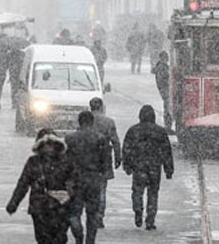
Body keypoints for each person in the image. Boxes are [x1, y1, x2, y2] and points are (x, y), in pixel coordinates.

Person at [6, 129, 76, 244]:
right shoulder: (66, 161)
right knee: (59, 238)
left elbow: (23, 184)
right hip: (60, 206)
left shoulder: (34, 161)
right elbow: (75, 183)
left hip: (40, 207)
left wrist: (14, 203)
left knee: (44, 239)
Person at [122, 105, 174, 230]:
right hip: (154, 167)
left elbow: (126, 149)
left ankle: (138, 210)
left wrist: (127, 165)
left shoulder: (133, 130)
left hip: (138, 167)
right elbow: (166, 151)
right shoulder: (160, 131)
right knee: (153, 193)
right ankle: (150, 220)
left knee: (137, 191)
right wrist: (168, 169)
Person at [65, 111, 108, 244]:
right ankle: (90, 240)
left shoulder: (70, 138)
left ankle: (78, 234)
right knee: (92, 213)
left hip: (76, 180)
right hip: (93, 179)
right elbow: (105, 161)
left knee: (74, 212)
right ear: (92, 122)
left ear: (79, 121)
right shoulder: (100, 138)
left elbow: (65, 161)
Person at [89, 98, 121, 227]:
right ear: (102, 107)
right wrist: (118, 157)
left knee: (88, 189)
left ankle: (91, 214)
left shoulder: (85, 120)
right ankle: (99, 216)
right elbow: (115, 141)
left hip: (87, 158)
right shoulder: (108, 122)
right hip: (104, 158)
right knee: (102, 189)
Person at [153, 51, 173, 133]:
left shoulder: (161, 66)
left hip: (164, 89)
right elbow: (162, 80)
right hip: (166, 89)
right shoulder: (162, 67)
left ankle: (168, 126)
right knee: (167, 108)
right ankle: (167, 126)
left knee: (167, 107)